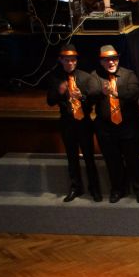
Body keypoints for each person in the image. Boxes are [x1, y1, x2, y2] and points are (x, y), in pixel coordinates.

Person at [46, 44, 102, 203]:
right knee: (72, 158)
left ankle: (94, 189)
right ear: (61, 60)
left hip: (84, 123)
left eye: (73, 60)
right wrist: (60, 92)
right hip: (67, 123)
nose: (70, 63)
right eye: (67, 60)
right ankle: (76, 187)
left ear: (76, 61)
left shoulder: (85, 77)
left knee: (89, 158)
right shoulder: (55, 78)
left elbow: (93, 99)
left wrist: (82, 97)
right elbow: (50, 101)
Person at [93, 45, 139, 203]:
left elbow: (134, 94)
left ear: (118, 59)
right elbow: (90, 94)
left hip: (129, 127)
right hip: (106, 129)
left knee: (133, 160)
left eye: (114, 59)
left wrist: (116, 93)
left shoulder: (128, 74)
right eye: (106, 60)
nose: (111, 62)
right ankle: (118, 190)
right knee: (112, 161)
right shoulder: (95, 76)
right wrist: (101, 93)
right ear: (101, 62)